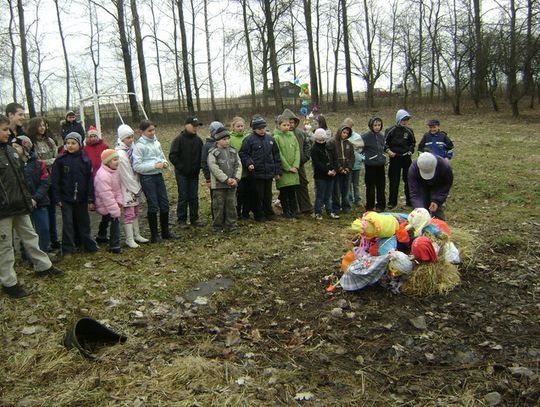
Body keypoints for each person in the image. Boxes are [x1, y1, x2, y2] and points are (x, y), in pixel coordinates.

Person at [0, 115, 63, 299]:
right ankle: (9, 282)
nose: (8, 134)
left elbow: (21, 179)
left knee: (31, 236)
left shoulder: (11, 151)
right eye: (4, 130)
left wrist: (28, 199)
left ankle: (43, 266)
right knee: (5, 246)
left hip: (20, 205)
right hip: (3, 210)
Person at [51, 132, 98, 256]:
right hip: (66, 198)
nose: (70, 146)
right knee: (68, 224)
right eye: (68, 143)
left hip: (81, 198)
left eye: (73, 143)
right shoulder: (61, 160)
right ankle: (67, 249)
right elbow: (55, 180)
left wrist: (90, 198)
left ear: (79, 144)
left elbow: (89, 181)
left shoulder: (85, 160)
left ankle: (87, 245)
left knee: (84, 222)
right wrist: (57, 197)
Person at [132, 120, 175, 243]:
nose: (152, 133)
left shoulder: (156, 142)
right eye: (149, 131)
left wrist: (165, 163)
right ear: (142, 132)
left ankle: (165, 232)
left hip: (158, 176)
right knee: (153, 205)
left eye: (153, 130)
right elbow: (137, 166)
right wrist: (154, 166)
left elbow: (161, 156)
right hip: (147, 178)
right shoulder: (139, 146)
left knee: (164, 204)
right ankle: (154, 235)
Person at [12, 136, 51, 253]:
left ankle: (43, 252)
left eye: (17, 147)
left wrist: (35, 198)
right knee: (27, 231)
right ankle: (27, 255)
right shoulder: (13, 166)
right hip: (23, 204)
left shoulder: (39, 164)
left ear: (25, 148)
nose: (14, 150)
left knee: (43, 229)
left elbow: (45, 181)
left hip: (40, 202)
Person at [239, 116, 281, 222]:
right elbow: (243, 154)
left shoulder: (270, 139)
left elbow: (276, 155)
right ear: (254, 129)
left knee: (268, 194)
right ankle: (259, 213)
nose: (262, 130)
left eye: (264, 128)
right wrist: (249, 163)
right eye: (259, 128)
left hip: (269, 172)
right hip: (256, 173)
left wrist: (277, 170)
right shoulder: (249, 140)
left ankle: (269, 212)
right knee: (258, 195)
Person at [26, 117, 60, 250]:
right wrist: (51, 161)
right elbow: (36, 162)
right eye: (39, 126)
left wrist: (52, 161)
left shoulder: (50, 141)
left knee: (52, 210)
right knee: (41, 213)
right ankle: (41, 243)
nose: (42, 128)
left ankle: (54, 239)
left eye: (44, 125)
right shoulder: (31, 143)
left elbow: (56, 156)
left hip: (52, 179)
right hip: (39, 180)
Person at [115, 124, 149, 248]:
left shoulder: (130, 150)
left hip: (135, 185)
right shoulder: (120, 154)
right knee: (129, 213)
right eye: (128, 138)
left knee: (135, 211)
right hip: (127, 188)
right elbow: (126, 175)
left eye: (131, 137)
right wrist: (136, 188)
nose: (131, 140)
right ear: (122, 138)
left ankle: (137, 234)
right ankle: (129, 238)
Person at [169, 116, 204, 228]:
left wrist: (199, 167)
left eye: (197, 126)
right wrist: (181, 167)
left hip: (194, 174)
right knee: (183, 196)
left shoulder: (198, 140)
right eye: (193, 126)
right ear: (186, 125)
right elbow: (173, 155)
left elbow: (201, 155)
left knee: (194, 196)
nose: (195, 128)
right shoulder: (178, 140)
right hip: (182, 174)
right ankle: (182, 220)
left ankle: (195, 218)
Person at [208, 127, 242, 231]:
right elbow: (214, 168)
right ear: (217, 140)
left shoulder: (233, 151)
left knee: (231, 204)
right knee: (218, 206)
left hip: (232, 184)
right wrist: (226, 179)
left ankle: (231, 225)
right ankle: (217, 226)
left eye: (228, 138)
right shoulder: (213, 153)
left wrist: (236, 179)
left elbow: (238, 165)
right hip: (219, 185)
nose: (227, 141)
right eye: (224, 139)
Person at [281, 108, 313, 215]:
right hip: (286, 166)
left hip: (300, 164)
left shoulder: (300, 133)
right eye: (288, 123)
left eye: (293, 122)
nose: (290, 125)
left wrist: (305, 157)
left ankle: (305, 206)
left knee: (302, 184)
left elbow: (307, 145)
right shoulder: (279, 135)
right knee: (288, 187)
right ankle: (291, 208)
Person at [83, 126, 110, 244]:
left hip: (104, 178)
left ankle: (102, 232)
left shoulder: (104, 147)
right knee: (92, 205)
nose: (93, 138)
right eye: (91, 136)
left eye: (95, 136)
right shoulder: (85, 149)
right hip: (91, 179)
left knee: (107, 205)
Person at [385, 109, 416, 209]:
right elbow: (384, 144)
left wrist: (411, 151)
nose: (405, 121)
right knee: (394, 180)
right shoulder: (390, 130)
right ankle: (392, 202)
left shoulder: (409, 131)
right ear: (398, 119)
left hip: (406, 158)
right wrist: (389, 152)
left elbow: (413, 143)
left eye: (407, 119)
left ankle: (409, 202)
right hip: (395, 158)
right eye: (403, 119)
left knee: (408, 180)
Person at [408, 152, 453, 220]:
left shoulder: (444, 166)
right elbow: (415, 193)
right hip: (421, 186)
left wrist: (437, 200)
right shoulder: (413, 169)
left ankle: (439, 227)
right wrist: (419, 209)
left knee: (437, 210)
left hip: (438, 185)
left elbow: (445, 186)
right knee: (421, 210)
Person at [94, 149, 123, 254]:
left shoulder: (115, 172)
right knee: (114, 219)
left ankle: (101, 235)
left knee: (106, 218)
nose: (117, 162)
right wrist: (115, 209)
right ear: (107, 162)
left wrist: (119, 200)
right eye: (115, 160)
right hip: (104, 202)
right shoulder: (103, 175)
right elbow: (106, 195)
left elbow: (118, 188)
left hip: (112, 200)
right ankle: (114, 245)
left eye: (117, 159)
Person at [273, 114, 300, 218]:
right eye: (284, 125)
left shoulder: (292, 136)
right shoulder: (276, 138)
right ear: (278, 126)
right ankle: (286, 211)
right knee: (284, 193)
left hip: (294, 170)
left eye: (288, 125)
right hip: (284, 171)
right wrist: (288, 167)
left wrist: (295, 165)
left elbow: (297, 150)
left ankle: (294, 211)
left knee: (292, 192)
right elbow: (279, 154)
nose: (287, 127)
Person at [310, 128, 339, 220]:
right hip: (320, 175)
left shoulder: (328, 147)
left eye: (323, 140)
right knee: (320, 194)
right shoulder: (314, 149)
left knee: (329, 194)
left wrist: (334, 169)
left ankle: (329, 211)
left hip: (331, 174)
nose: (322, 142)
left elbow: (334, 158)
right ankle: (317, 211)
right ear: (315, 139)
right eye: (319, 140)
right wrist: (327, 171)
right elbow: (317, 163)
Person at [229, 116, 254, 219]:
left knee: (248, 193)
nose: (240, 128)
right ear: (233, 127)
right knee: (239, 193)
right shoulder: (229, 138)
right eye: (237, 126)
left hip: (248, 169)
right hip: (236, 171)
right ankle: (237, 212)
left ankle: (246, 212)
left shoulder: (248, 137)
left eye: (242, 126)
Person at [327, 125, 355, 213]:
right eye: (344, 132)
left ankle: (346, 206)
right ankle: (336, 207)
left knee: (346, 189)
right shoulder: (332, 143)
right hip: (337, 171)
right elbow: (331, 158)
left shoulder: (349, 144)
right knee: (336, 190)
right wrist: (339, 168)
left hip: (347, 171)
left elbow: (352, 157)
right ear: (340, 132)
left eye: (347, 133)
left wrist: (348, 168)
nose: (345, 135)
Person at [361, 116, 386, 212]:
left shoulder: (381, 136)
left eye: (379, 125)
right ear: (371, 126)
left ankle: (381, 205)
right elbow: (358, 148)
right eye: (375, 125)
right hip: (370, 165)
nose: (377, 127)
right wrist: (364, 157)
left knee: (381, 186)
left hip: (380, 165)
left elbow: (383, 147)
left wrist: (383, 156)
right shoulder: (365, 137)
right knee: (370, 187)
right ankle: (370, 206)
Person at [343, 117, 364, 207]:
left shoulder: (356, 136)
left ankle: (357, 199)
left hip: (356, 163)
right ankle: (349, 199)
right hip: (347, 164)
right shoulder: (343, 136)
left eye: (349, 127)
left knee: (355, 183)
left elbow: (361, 145)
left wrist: (352, 143)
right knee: (348, 184)